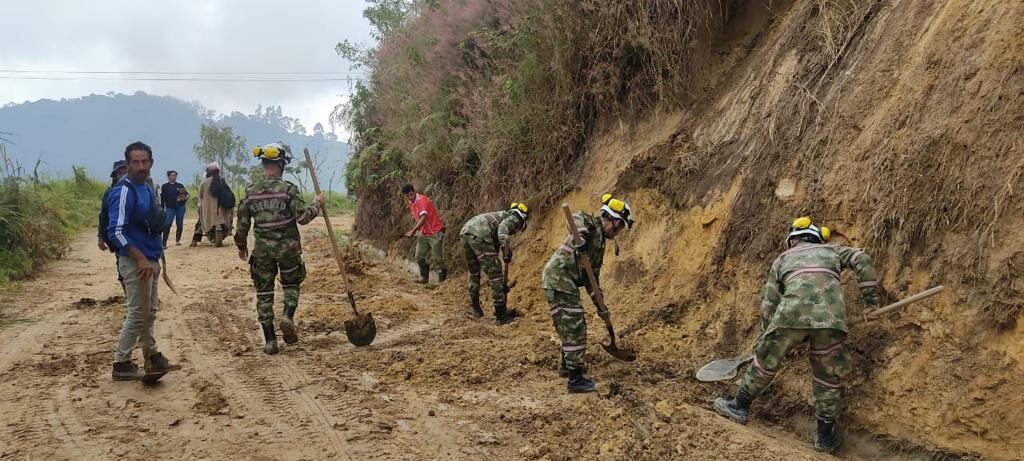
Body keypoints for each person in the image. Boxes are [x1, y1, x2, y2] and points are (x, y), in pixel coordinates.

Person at [713, 217, 879, 453]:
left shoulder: (783, 259)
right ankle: (824, 438)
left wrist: (769, 336)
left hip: (790, 317)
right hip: (831, 321)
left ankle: (739, 406)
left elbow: (769, 303)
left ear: (792, 241)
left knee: (765, 363)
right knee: (827, 378)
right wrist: (871, 304)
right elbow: (862, 259)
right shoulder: (832, 251)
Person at [235, 143, 325, 354]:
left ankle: (270, 341)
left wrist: (241, 246)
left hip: (263, 253)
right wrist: (317, 204)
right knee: (291, 285)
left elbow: (241, 225)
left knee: (264, 293)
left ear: (264, 164)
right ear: (281, 165)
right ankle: (287, 316)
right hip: (288, 250)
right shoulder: (288, 190)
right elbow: (303, 217)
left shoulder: (251, 192)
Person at [541, 194, 634, 393]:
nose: (617, 233)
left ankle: (567, 367)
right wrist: (580, 237)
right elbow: (574, 219)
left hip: (565, 282)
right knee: (575, 327)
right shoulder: (591, 225)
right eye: (619, 229)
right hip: (559, 278)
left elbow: (592, 280)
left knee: (571, 324)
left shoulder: (600, 244)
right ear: (616, 222)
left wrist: (601, 307)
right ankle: (575, 380)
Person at [106, 141, 179, 381]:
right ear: (127, 164)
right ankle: (121, 363)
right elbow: (115, 232)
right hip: (136, 262)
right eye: (135, 162)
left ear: (151, 163)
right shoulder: (124, 191)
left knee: (150, 312)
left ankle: (152, 355)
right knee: (138, 313)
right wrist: (139, 258)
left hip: (151, 259)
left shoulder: (146, 187)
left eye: (144, 161)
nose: (141, 166)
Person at [459, 202, 529, 324]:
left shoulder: (498, 216)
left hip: (466, 232)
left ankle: (475, 308)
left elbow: (492, 258)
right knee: (496, 275)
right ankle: (501, 316)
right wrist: (505, 249)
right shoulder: (514, 218)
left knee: (474, 272)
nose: (516, 231)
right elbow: (503, 230)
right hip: (480, 234)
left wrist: (500, 286)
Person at [402, 184, 446, 284]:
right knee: (419, 256)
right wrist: (417, 231)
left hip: (435, 231)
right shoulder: (411, 203)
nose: (410, 197)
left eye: (411, 194)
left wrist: (413, 231)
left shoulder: (422, 200)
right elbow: (419, 219)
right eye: (407, 196)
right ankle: (424, 277)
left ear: (414, 192)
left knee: (437, 259)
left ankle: (442, 281)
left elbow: (423, 218)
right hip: (424, 233)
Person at [98, 160, 128, 294]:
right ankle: (130, 298)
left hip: (139, 238)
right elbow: (103, 216)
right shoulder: (109, 193)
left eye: (126, 172)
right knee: (123, 270)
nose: (123, 175)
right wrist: (101, 237)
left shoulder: (141, 189)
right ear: (115, 176)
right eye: (120, 173)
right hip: (118, 237)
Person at [197, 162, 234, 247]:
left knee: (201, 216)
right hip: (222, 206)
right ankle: (229, 230)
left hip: (208, 208)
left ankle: (197, 236)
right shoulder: (222, 181)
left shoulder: (204, 182)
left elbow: (201, 195)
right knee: (229, 215)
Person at [160, 170, 189, 248]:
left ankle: (177, 240)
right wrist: (162, 208)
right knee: (167, 224)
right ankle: (164, 243)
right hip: (170, 207)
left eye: (175, 175)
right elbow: (162, 198)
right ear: (169, 177)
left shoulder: (180, 185)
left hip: (180, 207)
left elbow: (187, 195)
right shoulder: (165, 186)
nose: (174, 177)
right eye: (172, 175)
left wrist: (184, 198)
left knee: (179, 224)